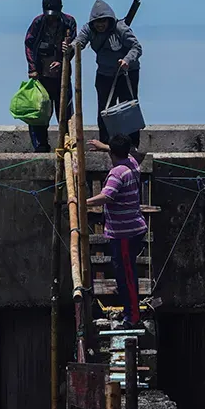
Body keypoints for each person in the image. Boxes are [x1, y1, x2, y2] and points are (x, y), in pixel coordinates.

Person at [85, 133, 148, 326]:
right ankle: (130, 311)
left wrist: (82, 202)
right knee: (125, 273)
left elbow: (107, 196)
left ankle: (133, 316)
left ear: (112, 153)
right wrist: (105, 147)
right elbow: (125, 153)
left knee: (126, 276)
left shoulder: (117, 173)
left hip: (124, 234)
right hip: (134, 229)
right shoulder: (132, 165)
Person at [65, 0, 142, 148]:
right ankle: (105, 142)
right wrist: (70, 47)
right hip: (105, 73)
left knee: (128, 108)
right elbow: (79, 42)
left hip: (126, 73)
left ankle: (132, 144)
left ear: (109, 20)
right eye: (97, 22)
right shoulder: (89, 29)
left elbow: (136, 47)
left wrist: (127, 60)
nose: (100, 25)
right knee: (105, 110)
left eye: (103, 22)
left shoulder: (121, 28)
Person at [23, 0, 77, 152]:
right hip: (41, 77)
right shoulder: (38, 22)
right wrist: (32, 68)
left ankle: (66, 145)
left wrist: (61, 61)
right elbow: (28, 44)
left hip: (62, 77)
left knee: (65, 112)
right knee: (39, 113)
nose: (51, 19)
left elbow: (73, 45)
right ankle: (41, 145)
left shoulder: (69, 22)